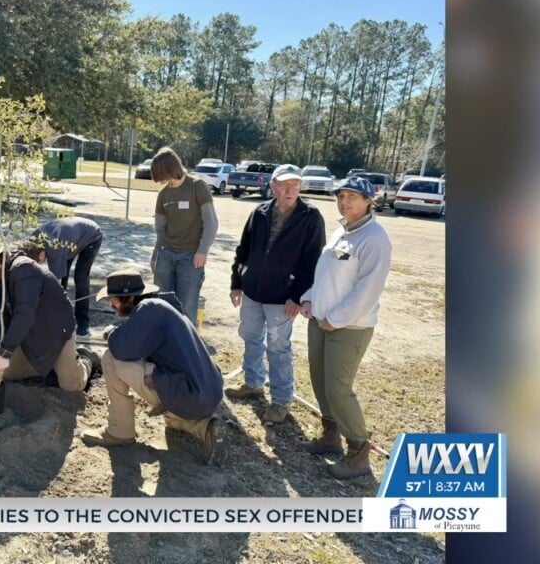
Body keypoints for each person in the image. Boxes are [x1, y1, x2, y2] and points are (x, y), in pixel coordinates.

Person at [80, 270, 227, 466]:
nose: (110, 305)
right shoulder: (162, 307)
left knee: (110, 358)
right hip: (205, 393)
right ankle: (207, 427)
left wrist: (111, 333)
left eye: (113, 300)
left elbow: (121, 349)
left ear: (130, 298)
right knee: (172, 421)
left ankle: (119, 431)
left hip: (189, 391)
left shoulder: (149, 309)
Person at [299, 177, 392, 479]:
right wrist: (309, 298)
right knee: (320, 380)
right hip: (320, 320)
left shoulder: (374, 238)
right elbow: (324, 274)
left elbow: (369, 289)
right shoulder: (342, 231)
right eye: (341, 196)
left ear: (369, 201)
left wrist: (336, 318)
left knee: (338, 388)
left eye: (353, 196)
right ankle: (330, 436)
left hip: (348, 327)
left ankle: (359, 454)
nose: (345, 202)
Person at [224, 164, 326, 425]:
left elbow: (313, 261)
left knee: (279, 348)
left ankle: (281, 401)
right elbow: (243, 249)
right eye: (284, 184)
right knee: (251, 337)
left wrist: (297, 296)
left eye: (295, 184)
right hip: (252, 291)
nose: (290, 189)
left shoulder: (311, 216)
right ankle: (254, 383)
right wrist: (237, 283)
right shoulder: (259, 212)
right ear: (273, 187)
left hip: (283, 298)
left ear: (300, 187)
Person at [0, 242, 99, 391]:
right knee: (7, 373)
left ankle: (86, 359)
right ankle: (50, 367)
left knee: (71, 385)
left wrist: (5, 353)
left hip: (56, 333)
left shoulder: (24, 269)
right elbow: (1, 320)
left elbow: (24, 314)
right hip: (29, 334)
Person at [150, 147, 218, 327]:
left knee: (186, 307)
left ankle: (186, 344)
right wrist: (156, 255)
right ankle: (162, 343)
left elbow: (211, 222)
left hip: (190, 257)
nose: (160, 181)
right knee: (162, 304)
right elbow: (160, 230)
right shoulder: (163, 194)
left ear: (169, 169)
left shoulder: (197, 186)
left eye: (160, 174)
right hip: (165, 255)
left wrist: (202, 251)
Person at [23, 217, 104, 337]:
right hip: (69, 240)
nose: (42, 263)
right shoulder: (33, 241)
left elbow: (56, 285)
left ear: (42, 251)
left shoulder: (54, 249)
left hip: (91, 236)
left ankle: (83, 324)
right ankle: (63, 318)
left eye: (40, 260)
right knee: (63, 276)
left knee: (80, 277)